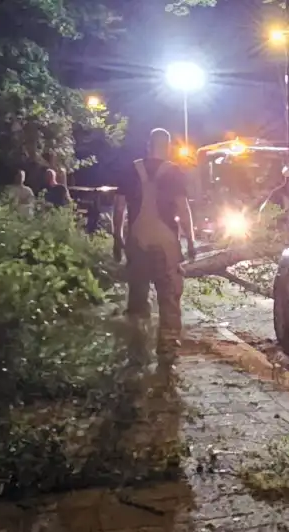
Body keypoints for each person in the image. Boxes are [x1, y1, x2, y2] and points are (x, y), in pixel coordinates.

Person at [113, 128, 198, 364]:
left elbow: (119, 208)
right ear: (168, 146)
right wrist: (190, 241)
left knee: (138, 294)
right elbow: (183, 209)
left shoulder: (130, 170)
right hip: (166, 243)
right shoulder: (174, 173)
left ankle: (137, 343)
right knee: (169, 296)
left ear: (148, 145)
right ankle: (167, 347)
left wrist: (117, 239)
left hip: (137, 240)